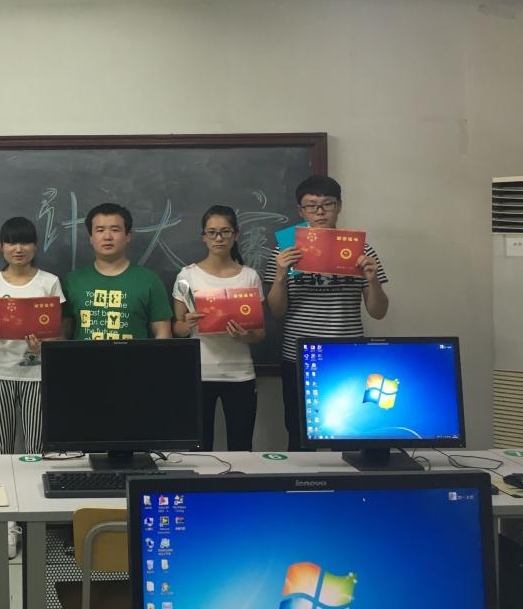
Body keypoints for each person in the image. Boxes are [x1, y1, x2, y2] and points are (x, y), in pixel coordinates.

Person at [263, 175, 390, 450]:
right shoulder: (285, 250)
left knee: (349, 433)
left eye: (327, 204)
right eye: (311, 206)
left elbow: (378, 312)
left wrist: (372, 279)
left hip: (347, 355)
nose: (319, 212)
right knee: (299, 434)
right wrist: (281, 274)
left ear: (339, 206)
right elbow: (276, 311)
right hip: (298, 356)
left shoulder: (361, 250)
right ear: (300, 211)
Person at [173, 205, 264, 451]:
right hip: (200, 374)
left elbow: (260, 334)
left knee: (241, 447)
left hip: (240, 374)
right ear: (204, 236)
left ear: (235, 235)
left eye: (225, 232)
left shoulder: (249, 277)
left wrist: (245, 335)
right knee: (200, 450)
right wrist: (188, 323)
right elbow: (177, 329)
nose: (218, 238)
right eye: (212, 232)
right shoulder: (187, 276)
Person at [0, 217, 64, 454]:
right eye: (11, 243)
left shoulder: (49, 282)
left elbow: (58, 333)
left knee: (37, 449)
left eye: (25, 242)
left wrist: (43, 346)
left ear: (35, 246)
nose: (18, 249)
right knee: (0, 449)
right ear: (1, 246)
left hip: (37, 375)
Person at [61, 202, 172, 340]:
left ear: (128, 236)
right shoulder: (72, 281)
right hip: (83, 355)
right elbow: (63, 334)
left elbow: (163, 333)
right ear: (91, 238)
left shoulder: (149, 280)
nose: (107, 237)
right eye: (100, 230)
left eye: (115, 230)